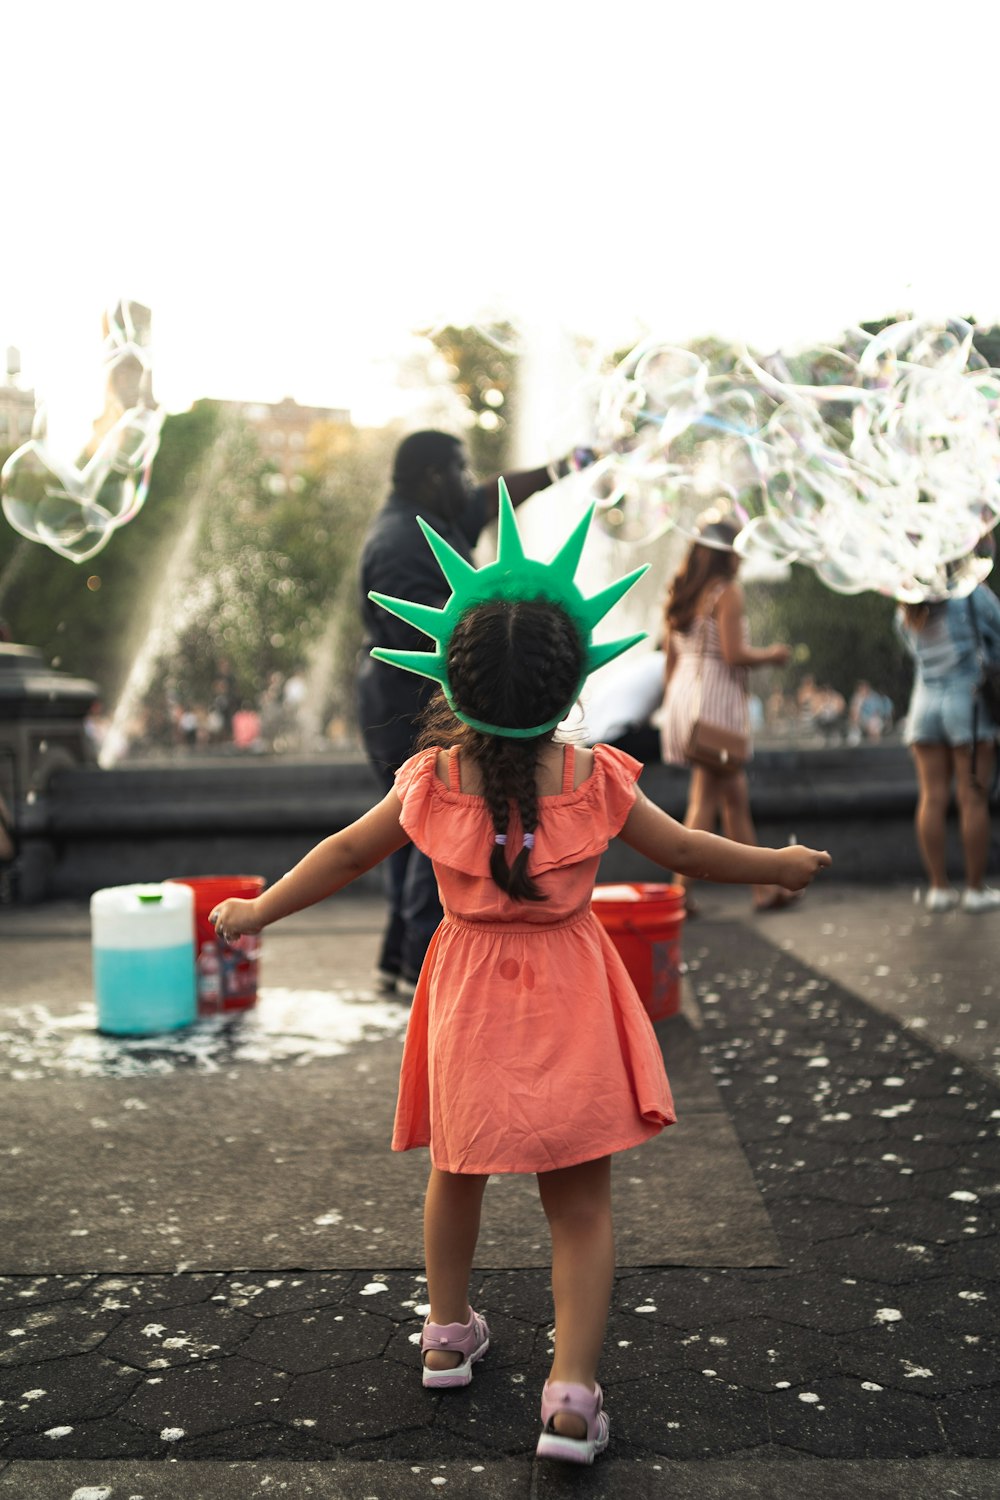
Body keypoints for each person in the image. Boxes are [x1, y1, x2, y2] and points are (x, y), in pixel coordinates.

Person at [212, 488, 830, 1465]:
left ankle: (447, 1335)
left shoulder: (427, 781)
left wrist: (256, 909)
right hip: (570, 996)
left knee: (455, 1169)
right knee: (578, 1206)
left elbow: (339, 856)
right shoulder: (595, 778)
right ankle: (570, 1403)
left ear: (449, 679)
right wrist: (778, 863)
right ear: (573, 673)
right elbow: (697, 853)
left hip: (464, 994)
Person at [357, 430, 584, 996]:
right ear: (434, 475)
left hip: (407, 706)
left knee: (412, 831)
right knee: (427, 824)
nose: (470, 481)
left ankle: (395, 961)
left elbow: (501, 494)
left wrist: (574, 461)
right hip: (406, 709)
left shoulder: (433, 522)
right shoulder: (399, 545)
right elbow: (452, 635)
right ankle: (416, 970)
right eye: (461, 470)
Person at [658, 512, 795, 914]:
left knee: (731, 797)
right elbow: (734, 655)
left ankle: (761, 890)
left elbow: (669, 660)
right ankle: (679, 897)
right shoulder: (727, 593)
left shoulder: (683, 592)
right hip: (715, 709)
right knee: (707, 800)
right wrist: (773, 654)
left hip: (686, 701)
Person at [895, 582, 1000, 912]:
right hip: (967, 703)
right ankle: (974, 889)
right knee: (973, 799)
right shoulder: (970, 593)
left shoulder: (906, 599)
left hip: (924, 706)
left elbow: (910, 646)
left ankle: (938, 888)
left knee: (931, 798)